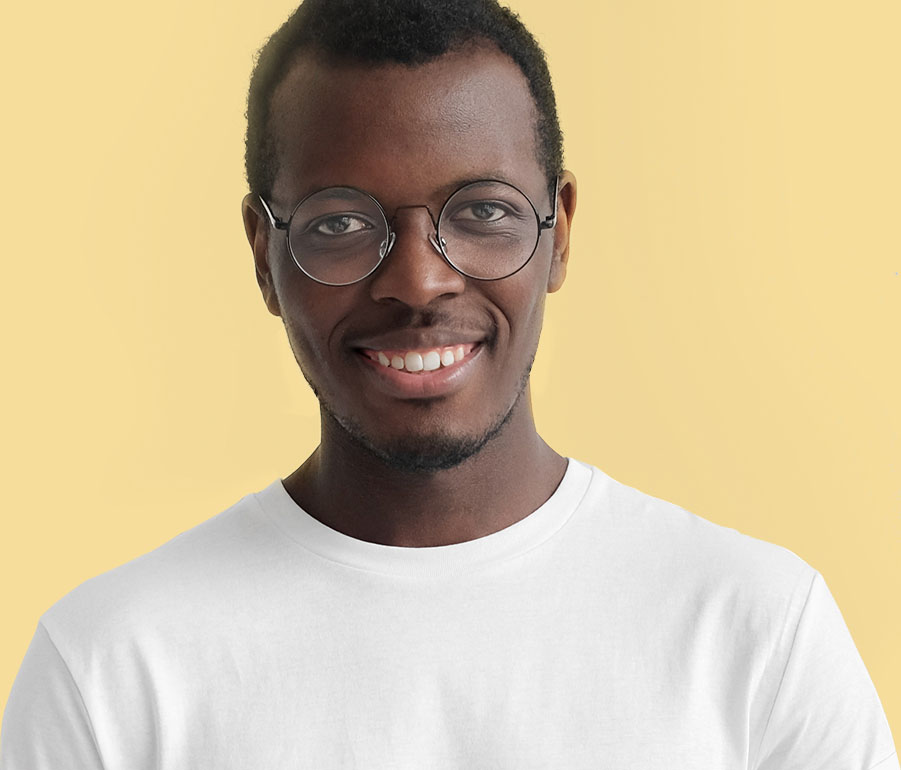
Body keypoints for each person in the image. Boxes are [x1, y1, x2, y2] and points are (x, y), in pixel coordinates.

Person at [1, 0, 897, 767]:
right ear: (262, 256)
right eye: (340, 222)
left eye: (482, 213)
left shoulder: (757, 632)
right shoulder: (111, 666)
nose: (420, 282)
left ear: (561, 232)